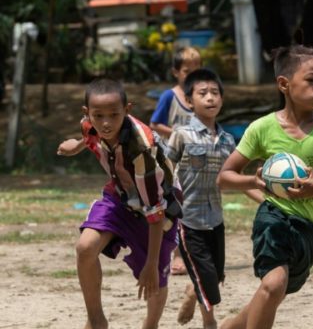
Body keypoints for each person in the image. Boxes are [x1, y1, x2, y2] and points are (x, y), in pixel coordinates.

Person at [216, 44, 313, 329]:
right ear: (284, 85)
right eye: (311, 81)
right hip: (273, 220)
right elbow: (225, 177)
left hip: (311, 228)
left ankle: (232, 326)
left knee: (276, 291)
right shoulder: (262, 128)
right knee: (274, 284)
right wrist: (253, 182)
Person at [57, 78, 181, 329]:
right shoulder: (90, 124)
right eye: (98, 115)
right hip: (120, 196)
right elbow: (89, 136)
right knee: (85, 247)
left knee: (154, 278)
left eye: (114, 115)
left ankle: (151, 324)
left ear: (128, 109)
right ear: (87, 113)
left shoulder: (140, 149)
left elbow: (154, 209)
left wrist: (150, 264)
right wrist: (74, 147)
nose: (105, 123)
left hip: (159, 206)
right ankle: (96, 319)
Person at [164, 68, 263, 328]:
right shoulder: (181, 135)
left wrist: (266, 201)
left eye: (215, 93)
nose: (210, 98)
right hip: (188, 221)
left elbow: (237, 179)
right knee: (209, 283)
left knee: (215, 276)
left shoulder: (228, 140)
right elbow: (162, 169)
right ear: (189, 101)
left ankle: (191, 291)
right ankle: (210, 323)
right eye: (203, 93)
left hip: (215, 220)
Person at [150, 46, 201, 275]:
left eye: (196, 70)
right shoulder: (169, 97)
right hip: (170, 162)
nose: (191, 75)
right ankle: (173, 254)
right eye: (186, 71)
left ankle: (188, 253)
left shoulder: (201, 95)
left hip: (194, 161)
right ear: (176, 72)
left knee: (191, 207)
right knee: (173, 206)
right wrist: (178, 135)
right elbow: (154, 124)